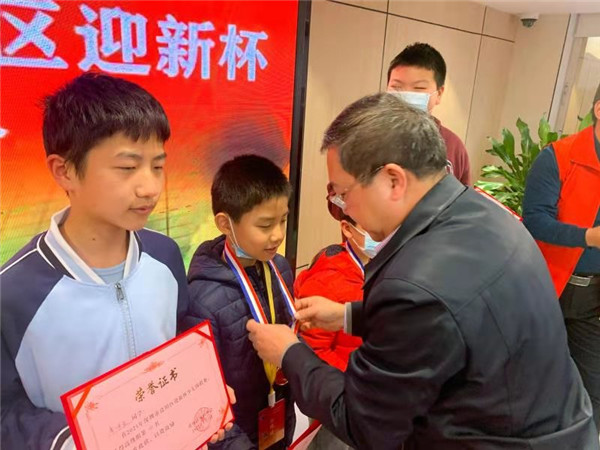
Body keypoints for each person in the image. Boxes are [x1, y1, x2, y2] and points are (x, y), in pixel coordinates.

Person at [247, 93, 598, 449]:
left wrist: (291, 354)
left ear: (393, 180)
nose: (345, 208)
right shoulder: (484, 212)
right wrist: (348, 316)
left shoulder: (416, 281)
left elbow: (364, 422)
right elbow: (455, 320)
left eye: (343, 193)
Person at [0, 72, 231, 450]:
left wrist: (200, 386)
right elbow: (5, 412)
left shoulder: (165, 255)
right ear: (65, 171)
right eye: (127, 167)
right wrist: (68, 439)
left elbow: (181, 333)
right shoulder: (13, 292)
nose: (151, 187)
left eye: (158, 166)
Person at [182, 154, 296, 449]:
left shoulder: (280, 268)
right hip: (237, 435)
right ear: (225, 223)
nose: (278, 235)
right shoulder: (201, 298)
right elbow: (205, 397)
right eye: (265, 225)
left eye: (283, 220)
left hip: (278, 417)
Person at [522, 82, 600, 429]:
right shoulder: (559, 156)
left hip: (593, 300)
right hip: (549, 286)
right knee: (531, 377)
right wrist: (587, 237)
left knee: (593, 390)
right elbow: (535, 220)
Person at [387, 42, 471, 185]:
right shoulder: (366, 138)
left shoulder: (453, 146)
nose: (406, 94)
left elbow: (463, 196)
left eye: (419, 88)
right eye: (396, 87)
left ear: (439, 93)